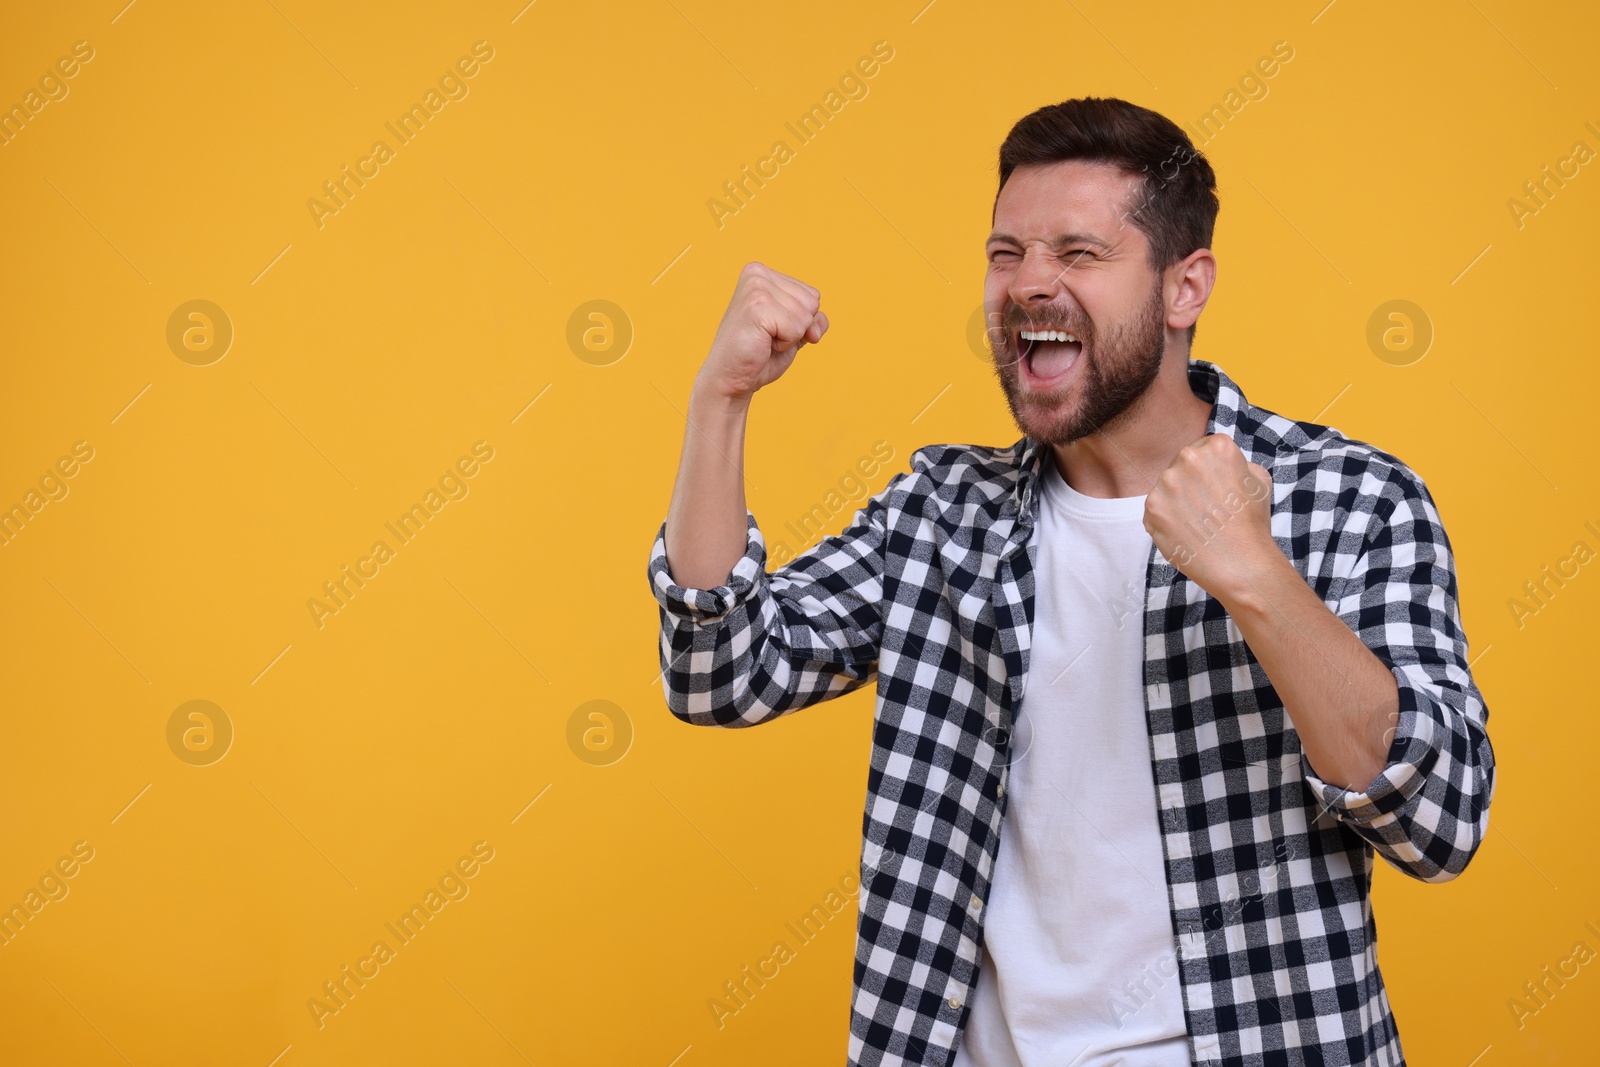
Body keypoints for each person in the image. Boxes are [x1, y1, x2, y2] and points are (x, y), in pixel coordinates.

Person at [645, 96, 1495, 1067]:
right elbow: (721, 669)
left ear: (1184, 287)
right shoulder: (941, 514)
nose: (1026, 284)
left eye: (1077, 253)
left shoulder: (1347, 500)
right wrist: (720, 401)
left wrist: (1255, 573)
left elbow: (1439, 822)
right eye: (1005, 253)